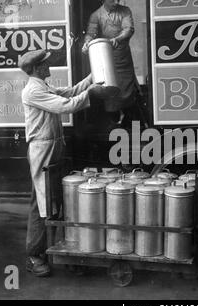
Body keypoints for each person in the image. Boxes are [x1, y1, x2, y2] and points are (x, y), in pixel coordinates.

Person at [19, 49, 103, 277]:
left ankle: (54, 252)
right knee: (43, 204)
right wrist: (92, 92)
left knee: (52, 200)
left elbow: (70, 92)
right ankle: (35, 256)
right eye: (46, 64)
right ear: (37, 68)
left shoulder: (43, 86)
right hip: (42, 149)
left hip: (52, 147)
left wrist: (92, 77)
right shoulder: (33, 90)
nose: (50, 66)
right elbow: (65, 106)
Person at [82, 0, 141, 128]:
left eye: (117, 0)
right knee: (110, 90)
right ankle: (113, 123)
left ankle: (128, 122)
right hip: (106, 58)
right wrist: (87, 42)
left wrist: (117, 39)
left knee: (127, 90)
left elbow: (129, 29)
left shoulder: (125, 11)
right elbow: (90, 33)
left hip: (123, 59)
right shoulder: (96, 15)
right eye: (112, 0)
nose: (115, 2)